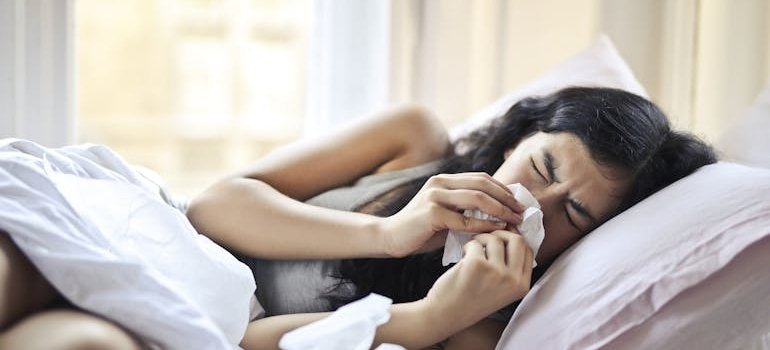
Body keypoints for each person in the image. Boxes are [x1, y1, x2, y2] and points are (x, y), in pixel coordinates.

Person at [0, 87, 716, 349]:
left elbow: (248, 342)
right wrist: (389, 230)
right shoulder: (414, 139)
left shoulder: (476, 318)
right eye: (543, 168)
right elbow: (216, 206)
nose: (537, 205)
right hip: (156, 242)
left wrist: (427, 320)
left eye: (577, 215)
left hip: (176, 325)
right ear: (522, 134)